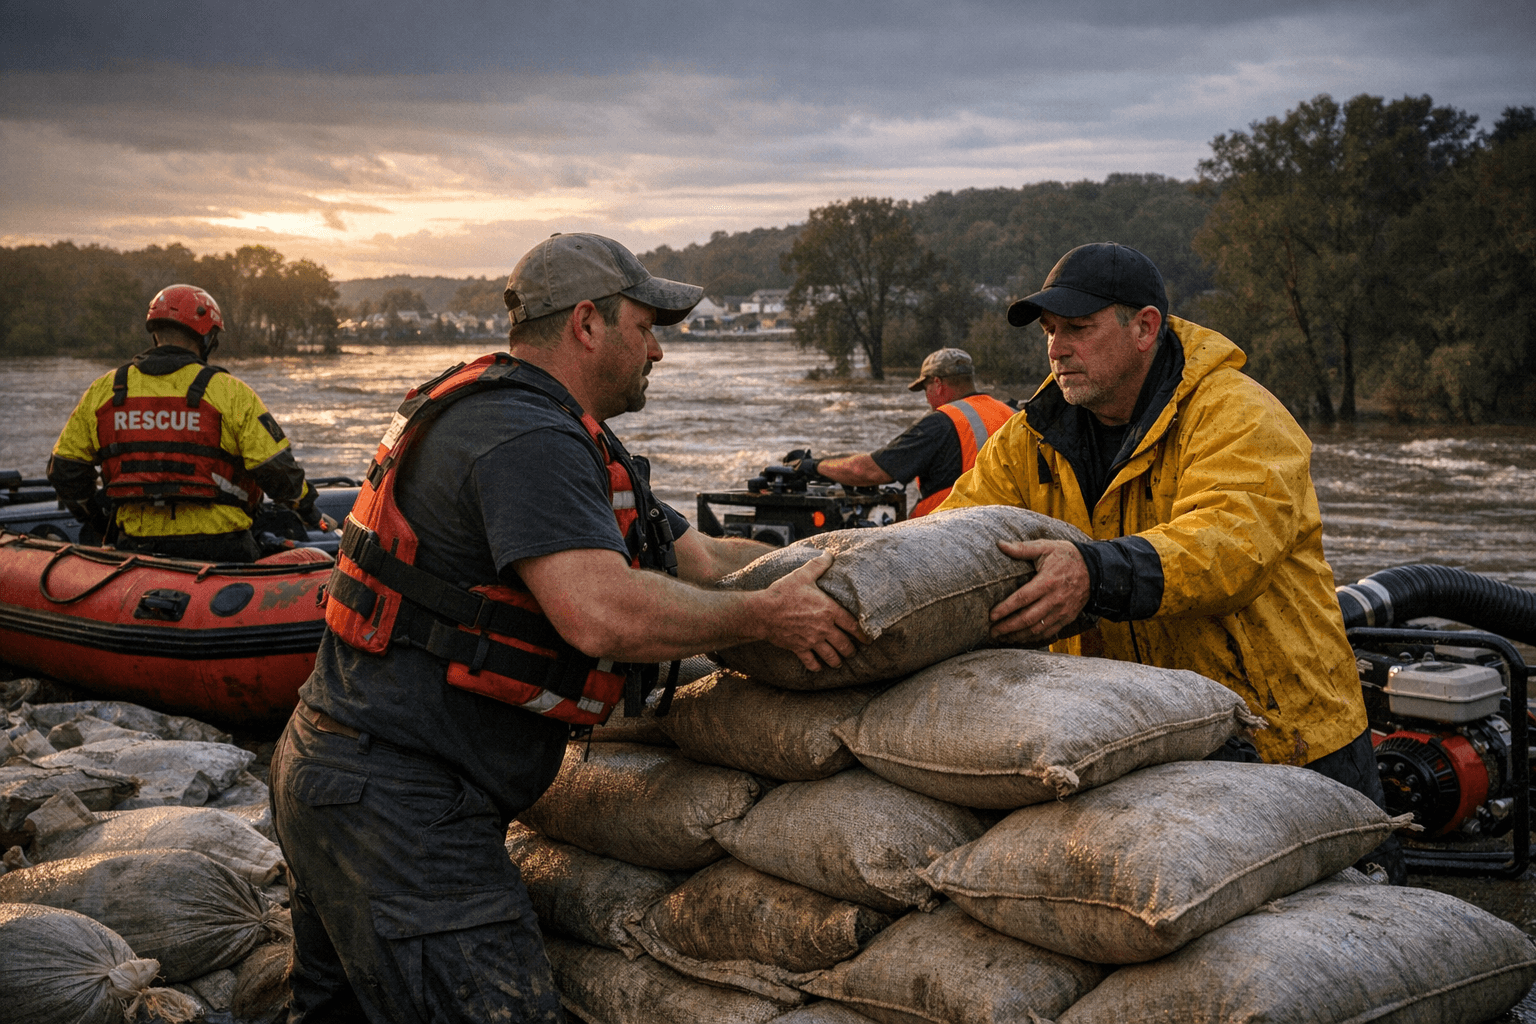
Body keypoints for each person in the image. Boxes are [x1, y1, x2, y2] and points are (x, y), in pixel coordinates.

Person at [270, 232, 866, 1023]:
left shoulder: (547, 426)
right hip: (399, 807)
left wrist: (834, 562)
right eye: (646, 327)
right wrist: (764, 616)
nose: (659, 350)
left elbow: (702, 557)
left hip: (349, 775)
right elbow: (600, 613)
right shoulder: (527, 438)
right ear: (588, 322)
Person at [937, 241, 1403, 882]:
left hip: (1285, 736)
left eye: (1078, 328)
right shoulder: (1031, 437)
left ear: (1144, 328)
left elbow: (1230, 544)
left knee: (1347, 931)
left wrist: (1093, 573)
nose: (1057, 348)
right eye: (1050, 332)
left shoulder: (1237, 412)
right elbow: (951, 532)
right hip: (1139, 740)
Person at [46, 284, 323, 563]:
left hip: (135, 550)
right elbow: (277, 470)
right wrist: (309, 510)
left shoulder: (105, 391)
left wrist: (97, 519)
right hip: (222, 548)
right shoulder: (229, 393)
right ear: (206, 336)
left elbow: (65, 471)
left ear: (155, 333)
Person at [788, 347, 1016, 517]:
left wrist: (814, 466)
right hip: (1007, 525)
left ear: (937, 383)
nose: (927, 398)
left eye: (926, 388)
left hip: (948, 535)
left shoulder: (941, 423)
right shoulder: (1010, 413)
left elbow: (868, 471)